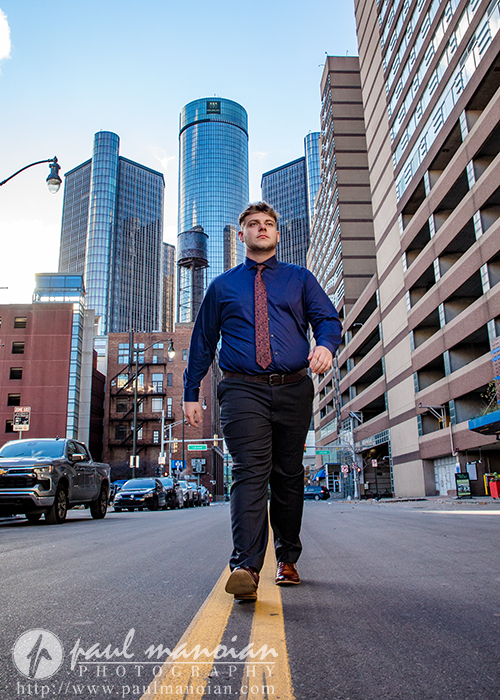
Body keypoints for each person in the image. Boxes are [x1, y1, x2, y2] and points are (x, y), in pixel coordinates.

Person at [183, 202, 342, 601]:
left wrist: (325, 344)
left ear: (275, 233)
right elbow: (202, 343)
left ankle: (287, 559)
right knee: (249, 473)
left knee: (287, 475)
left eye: (268, 224)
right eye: (253, 225)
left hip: (293, 387)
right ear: (242, 236)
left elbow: (327, 318)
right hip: (241, 389)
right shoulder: (222, 287)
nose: (262, 229)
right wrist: (190, 394)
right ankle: (246, 567)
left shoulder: (299, 279)